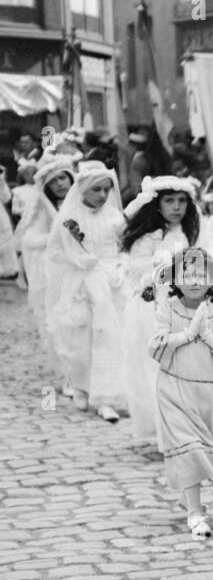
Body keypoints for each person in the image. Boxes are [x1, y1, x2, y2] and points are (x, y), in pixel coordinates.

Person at [148, 247, 213, 539]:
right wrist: (186, 336)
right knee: (189, 449)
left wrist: (209, 338)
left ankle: (190, 496)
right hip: (174, 387)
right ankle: (195, 512)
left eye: (202, 274)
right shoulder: (169, 308)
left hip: (209, 390)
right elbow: (154, 344)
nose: (195, 281)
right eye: (188, 274)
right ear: (175, 279)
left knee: (208, 448)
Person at [121, 177, 204, 450]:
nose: (176, 207)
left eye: (181, 201)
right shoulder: (149, 237)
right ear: (157, 205)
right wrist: (160, 267)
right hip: (154, 309)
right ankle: (164, 432)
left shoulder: (191, 234)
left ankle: (190, 429)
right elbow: (134, 272)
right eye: (169, 201)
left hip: (189, 306)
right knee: (157, 370)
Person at [44, 162, 127, 422]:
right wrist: (77, 260)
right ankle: (81, 384)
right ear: (82, 191)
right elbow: (54, 251)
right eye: (96, 190)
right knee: (80, 341)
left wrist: (121, 267)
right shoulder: (68, 219)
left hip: (111, 282)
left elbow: (125, 246)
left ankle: (106, 396)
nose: (102, 196)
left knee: (111, 339)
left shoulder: (115, 217)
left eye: (106, 190)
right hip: (82, 283)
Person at [14, 155, 77, 364]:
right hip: (57, 270)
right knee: (62, 320)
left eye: (62, 178)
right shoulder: (43, 207)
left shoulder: (83, 201)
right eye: (53, 181)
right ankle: (68, 369)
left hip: (82, 267)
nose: (59, 184)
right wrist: (55, 238)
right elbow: (29, 239)